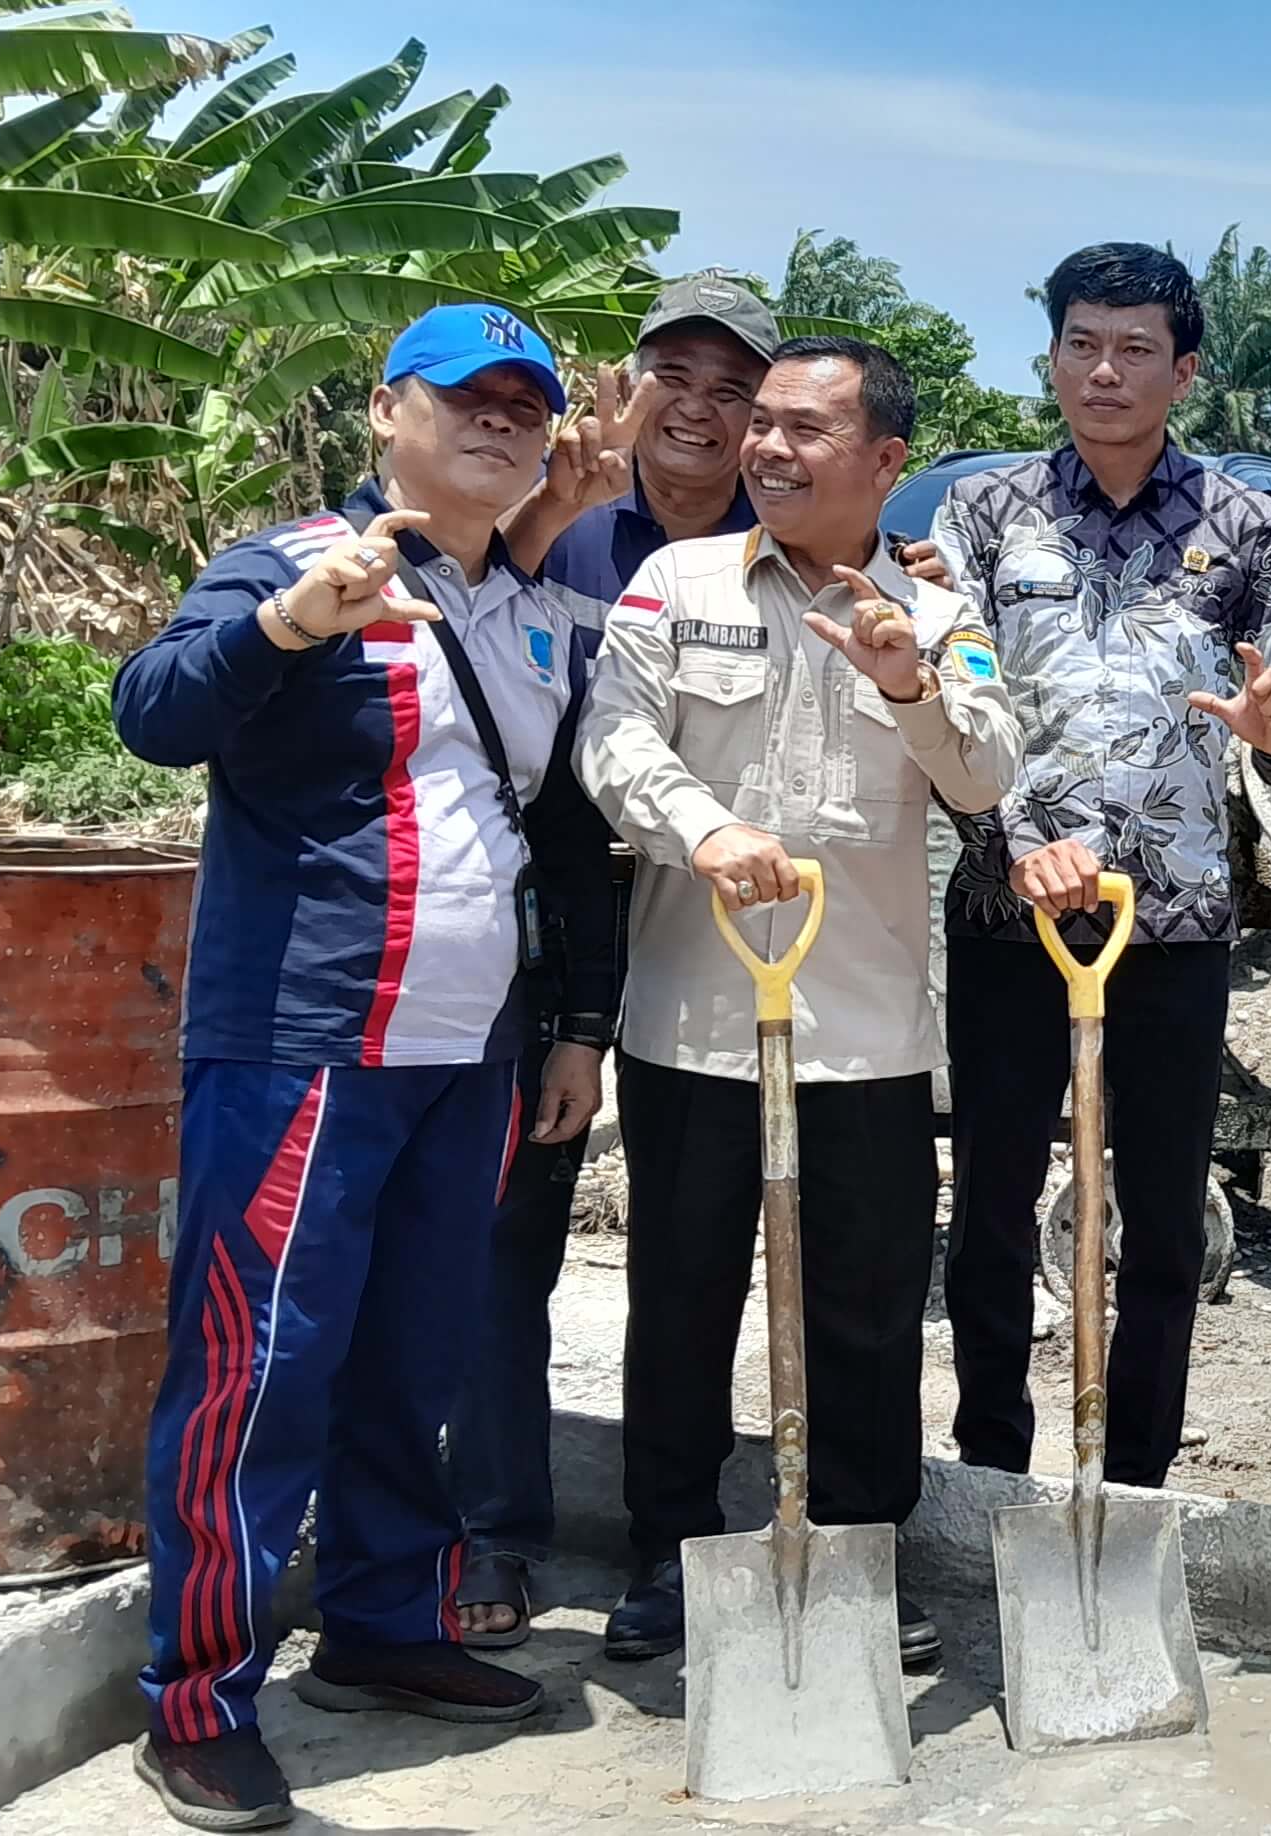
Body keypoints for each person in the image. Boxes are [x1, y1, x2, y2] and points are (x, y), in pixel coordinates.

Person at [110, 303, 621, 1831]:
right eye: (469, 399)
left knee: (416, 1358)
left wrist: (572, 1024)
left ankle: (387, 1629)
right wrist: (292, 625)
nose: (504, 425)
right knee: (259, 1367)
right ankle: (195, 1700)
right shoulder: (290, 563)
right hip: (309, 1038)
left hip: (467, 1051)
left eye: (528, 409)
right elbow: (153, 713)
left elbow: (564, 834)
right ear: (388, 413)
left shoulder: (522, 607)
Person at [574, 336, 1020, 1667]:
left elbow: (990, 775)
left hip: (867, 1040)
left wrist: (906, 679)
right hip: (693, 1026)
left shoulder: (945, 619)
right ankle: (666, 1554)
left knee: (868, 1322)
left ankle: (857, 1563)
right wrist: (699, 830)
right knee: (681, 1301)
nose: (763, 446)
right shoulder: (672, 581)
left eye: (801, 429)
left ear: (886, 461)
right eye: (759, 424)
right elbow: (612, 735)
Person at [931, 241, 1271, 1491]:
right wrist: (1009, 843)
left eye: (1137, 349)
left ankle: (1136, 1485)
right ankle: (992, 1461)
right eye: (1083, 345)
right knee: (992, 1206)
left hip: (1175, 924)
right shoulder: (985, 514)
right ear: (1050, 356)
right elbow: (946, 707)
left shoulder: (1248, 524)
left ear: (1185, 370)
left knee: (1164, 1221)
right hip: (1011, 914)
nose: (1106, 372)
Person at [443, 269, 779, 1651]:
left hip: (733, 931)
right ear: (622, 386)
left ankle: (677, 1545)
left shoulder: (804, 540)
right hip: (554, 924)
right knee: (507, 1237)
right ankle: (494, 1533)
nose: (697, 411)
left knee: (700, 1253)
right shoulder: (561, 529)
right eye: (673, 377)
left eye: (732, 389)